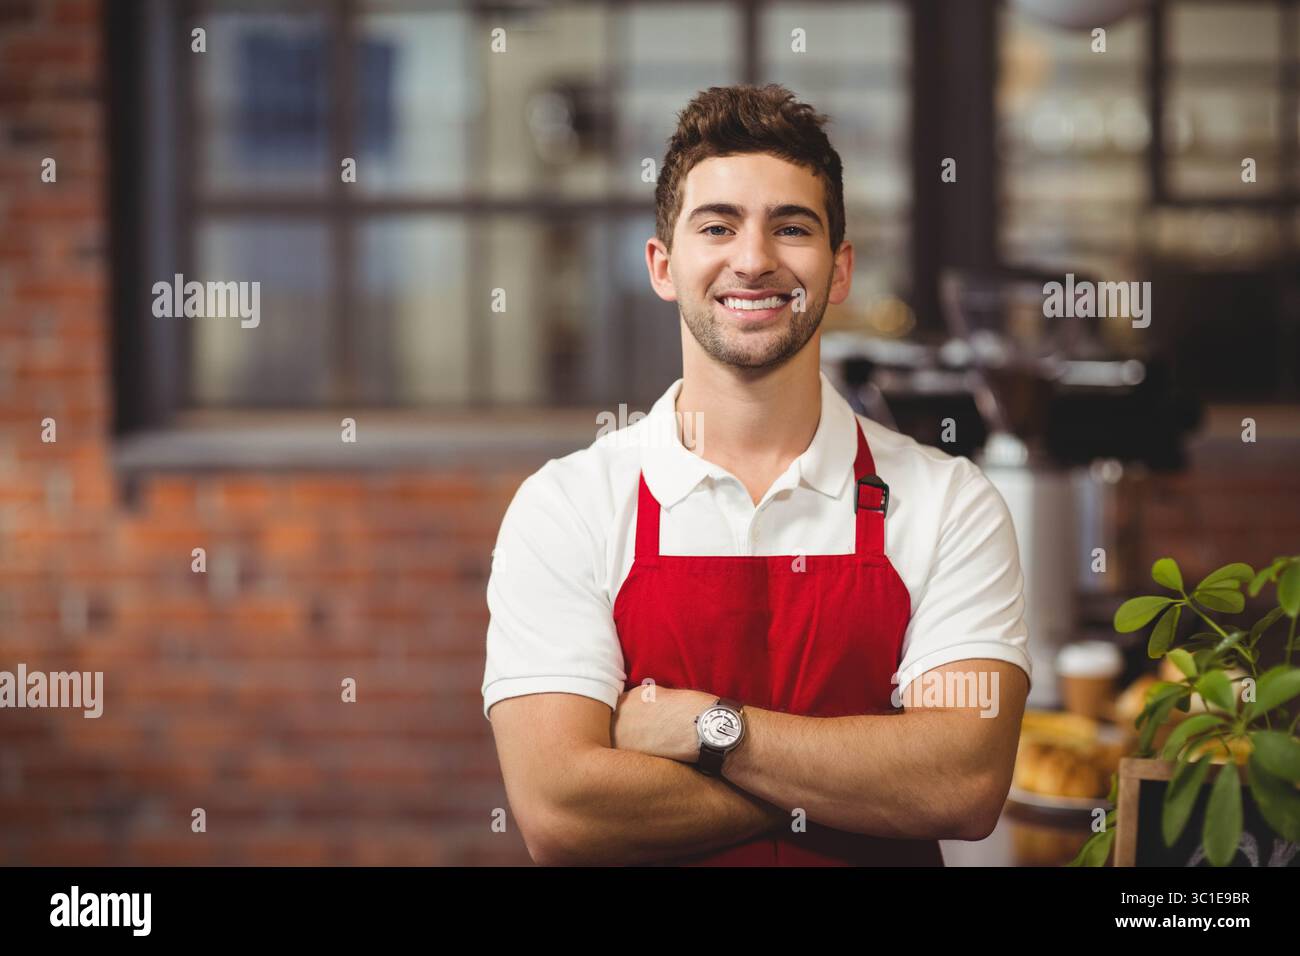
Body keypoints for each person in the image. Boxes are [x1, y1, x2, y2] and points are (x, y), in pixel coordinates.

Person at [482, 83, 1031, 866]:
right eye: (718, 226)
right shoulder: (567, 506)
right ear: (663, 266)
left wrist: (706, 728)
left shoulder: (948, 502)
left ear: (839, 270)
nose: (754, 259)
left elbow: (963, 785)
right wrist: (859, 785)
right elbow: (563, 814)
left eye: (792, 227)